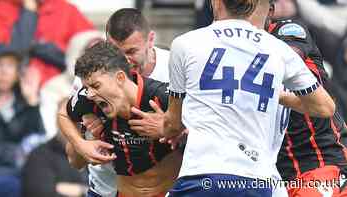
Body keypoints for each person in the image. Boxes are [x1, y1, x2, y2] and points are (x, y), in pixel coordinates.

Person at [136, 0, 335, 196]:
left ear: (216, 2)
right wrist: (272, 92)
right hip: (258, 180)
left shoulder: (185, 43)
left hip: (203, 176)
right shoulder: (278, 48)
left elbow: (174, 124)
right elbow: (325, 108)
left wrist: (164, 127)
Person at [58, 8, 170, 197]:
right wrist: (81, 142)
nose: (124, 61)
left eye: (131, 51)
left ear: (150, 40)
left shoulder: (174, 67)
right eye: (115, 52)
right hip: (105, 189)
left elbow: (207, 126)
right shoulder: (92, 78)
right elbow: (66, 119)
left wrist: (170, 126)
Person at [266, 2, 347, 197]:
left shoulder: (288, 30)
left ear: (269, 10)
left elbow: (285, 59)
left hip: (318, 164)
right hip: (272, 174)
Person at [0, 0, 94, 86]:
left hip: (59, 87)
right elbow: (15, 51)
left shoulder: (66, 10)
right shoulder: (2, 9)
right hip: (16, 89)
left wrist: (41, 48)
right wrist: (29, 11)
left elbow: (91, 53)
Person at [0, 44, 45, 197]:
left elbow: (37, 139)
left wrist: (32, 101)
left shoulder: (25, 102)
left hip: (18, 173)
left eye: (10, 65)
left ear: (18, 72)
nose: (3, 71)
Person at [21, 99, 87, 197]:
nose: (71, 128)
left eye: (77, 122)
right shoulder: (39, 156)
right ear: (57, 122)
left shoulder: (96, 153)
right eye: (65, 121)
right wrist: (85, 191)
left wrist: (80, 190)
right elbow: (40, 193)